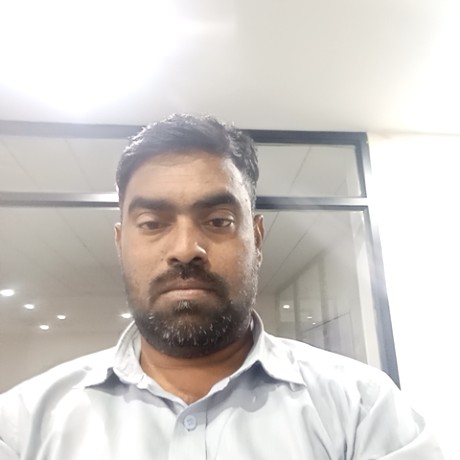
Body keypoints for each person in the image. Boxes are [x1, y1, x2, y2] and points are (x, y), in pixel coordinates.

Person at [0, 114, 444, 459]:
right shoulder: (22, 427)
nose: (185, 249)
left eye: (217, 221)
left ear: (257, 239)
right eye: (152, 223)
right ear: (120, 244)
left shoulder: (363, 410)